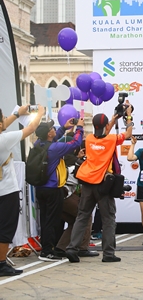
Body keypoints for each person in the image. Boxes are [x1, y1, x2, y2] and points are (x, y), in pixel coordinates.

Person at [66, 106, 133, 263]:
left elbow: (103, 131)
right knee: (108, 219)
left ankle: (72, 249)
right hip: (103, 185)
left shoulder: (89, 139)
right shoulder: (111, 140)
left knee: (82, 216)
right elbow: (128, 133)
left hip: (87, 183)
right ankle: (108, 253)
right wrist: (128, 117)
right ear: (105, 126)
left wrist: (113, 119)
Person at [0, 105, 44, 276]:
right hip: (6, 191)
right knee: (5, 228)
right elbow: (31, 129)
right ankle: (1, 264)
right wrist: (40, 113)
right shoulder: (4, 140)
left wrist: (17, 114)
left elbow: (4, 126)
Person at [34, 117, 84, 261]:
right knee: (52, 221)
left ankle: (46, 248)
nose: (54, 129)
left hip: (40, 188)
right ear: (49, 134)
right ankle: (47, 252)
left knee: (45, 220)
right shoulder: (55, 148)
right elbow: (75, 143)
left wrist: (64, 128)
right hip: (53, 189)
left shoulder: (38, 144)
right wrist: (79, 128)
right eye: (52, 129)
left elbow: (53, 139)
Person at [55, 145, 98, 258]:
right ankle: (82, 248)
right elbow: (86, 183)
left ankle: (61, 248)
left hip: (57, 197)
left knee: (74, 221)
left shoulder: (70, 163)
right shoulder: (78, 167)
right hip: (65, 195)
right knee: (85, 216)